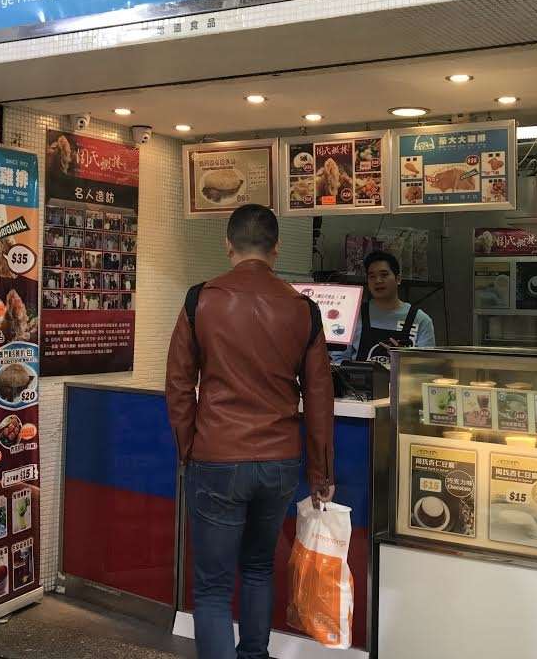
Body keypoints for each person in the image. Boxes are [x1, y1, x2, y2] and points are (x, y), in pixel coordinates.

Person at [166, 204, 335, 659]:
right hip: (279, 462)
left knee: (214, 587)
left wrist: (188, 448)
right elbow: (319, 397)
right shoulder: (304, 309)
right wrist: (320, 472)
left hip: (217, 458)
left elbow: (179, 386)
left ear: (228, 244)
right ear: (276, 249)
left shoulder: (199, 299)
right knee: (259, 568)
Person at [347, 250, 436, 364]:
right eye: (372, 276)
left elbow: (428, 366)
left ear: (398, 279)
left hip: (403, 381)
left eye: (384, 275)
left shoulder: (420, 320)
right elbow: (338, 361)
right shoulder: (354, 315)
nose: (378, 281)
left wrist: (405, 360)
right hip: (358, 381)